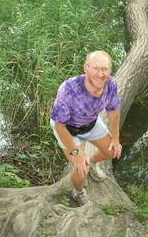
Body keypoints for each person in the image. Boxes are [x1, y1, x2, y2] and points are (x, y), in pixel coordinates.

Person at [50, 50, 122, 206]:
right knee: (81, 169)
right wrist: (75, 153)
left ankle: (92, 161)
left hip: (90, 122)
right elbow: (59, 125)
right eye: (96, 68)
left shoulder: (111, 84)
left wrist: (115, 138)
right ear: (86, 68)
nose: (101, 74)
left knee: (112, 151)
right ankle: (78, 192)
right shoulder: (68, 90)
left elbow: (113, 111)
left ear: (110, 70)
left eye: (105, 69)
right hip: (67, 128)